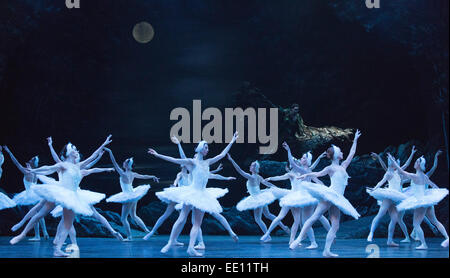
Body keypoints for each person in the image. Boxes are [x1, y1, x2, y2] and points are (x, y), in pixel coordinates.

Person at [148, 132, 238, 256]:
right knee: (181, 218)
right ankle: (170, 242)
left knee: (197, 223)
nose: (208, 149)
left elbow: (222, 154)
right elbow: (175, 160)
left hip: (202, 195)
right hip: (192, 192)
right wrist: (158, 155)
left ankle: (191, 247)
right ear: (201, 148)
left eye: (208, 147)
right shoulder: (192, 162)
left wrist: (232, 140)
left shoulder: (208, 162)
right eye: (206, 147)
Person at [289, 130, 362, 257]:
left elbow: (352, 152)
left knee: (335, 225)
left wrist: (355, 140)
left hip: (338, 198)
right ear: (338, 155)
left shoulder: (343, 166)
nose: (343, 153)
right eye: (341, 152)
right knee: (314, 217)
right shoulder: (330, 168)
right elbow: (317, 174)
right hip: (330, 195)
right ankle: (299, 239)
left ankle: (326, 250)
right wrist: (305, 175)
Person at [389, 154, 449, 249]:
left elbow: (401, 171)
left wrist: (393, 161)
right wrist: (438, 192)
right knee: (435, 221)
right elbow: (433, 185)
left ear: (419, 165)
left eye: (416, 161)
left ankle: (424, 244)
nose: (415, 163)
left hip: (420, 202)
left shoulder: (414, 176)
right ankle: (447, 238)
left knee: (416, 224)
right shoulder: (424, 176)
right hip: (427, 201)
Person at [104, 147, 158, 241]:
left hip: (128, 196)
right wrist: (152, 176)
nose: (123, 163)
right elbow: (143, 176)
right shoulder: (133, 173)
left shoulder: (123, 174)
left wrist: (110, 151)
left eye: (124, 162)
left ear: (126, 165)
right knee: (133, 215)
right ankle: (146, 230)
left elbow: (114, 162)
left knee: (123, 219)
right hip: (134, 194)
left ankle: (129, 237)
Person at [2, 146, 49, 241]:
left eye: (31, 159)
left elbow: (16, 163)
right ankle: (45, 232)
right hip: (37, 194)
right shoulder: (36, 172)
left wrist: (9, 152)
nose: (29, 159)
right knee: (39, 213)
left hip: (30, 195)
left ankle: (37, 236)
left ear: (31, 163)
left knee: (34, 214)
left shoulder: (27, 171)